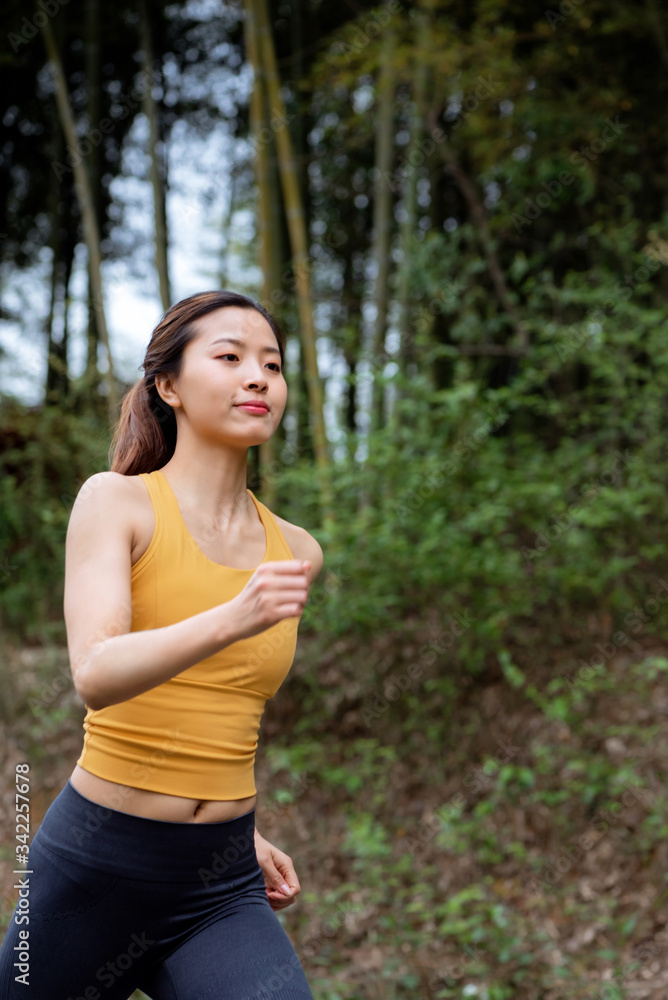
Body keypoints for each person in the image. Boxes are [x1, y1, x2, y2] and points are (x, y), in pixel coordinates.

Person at [0, 290, 324, 999]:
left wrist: (240, 835)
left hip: (220, 879)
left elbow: (221, 706)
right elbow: (96, 672)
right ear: (168, 385)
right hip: (95, 867)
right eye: (230, 357)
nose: (258, 377)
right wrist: (233, 616)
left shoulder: (297, 549)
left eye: (272, 364)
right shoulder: (116, 502)